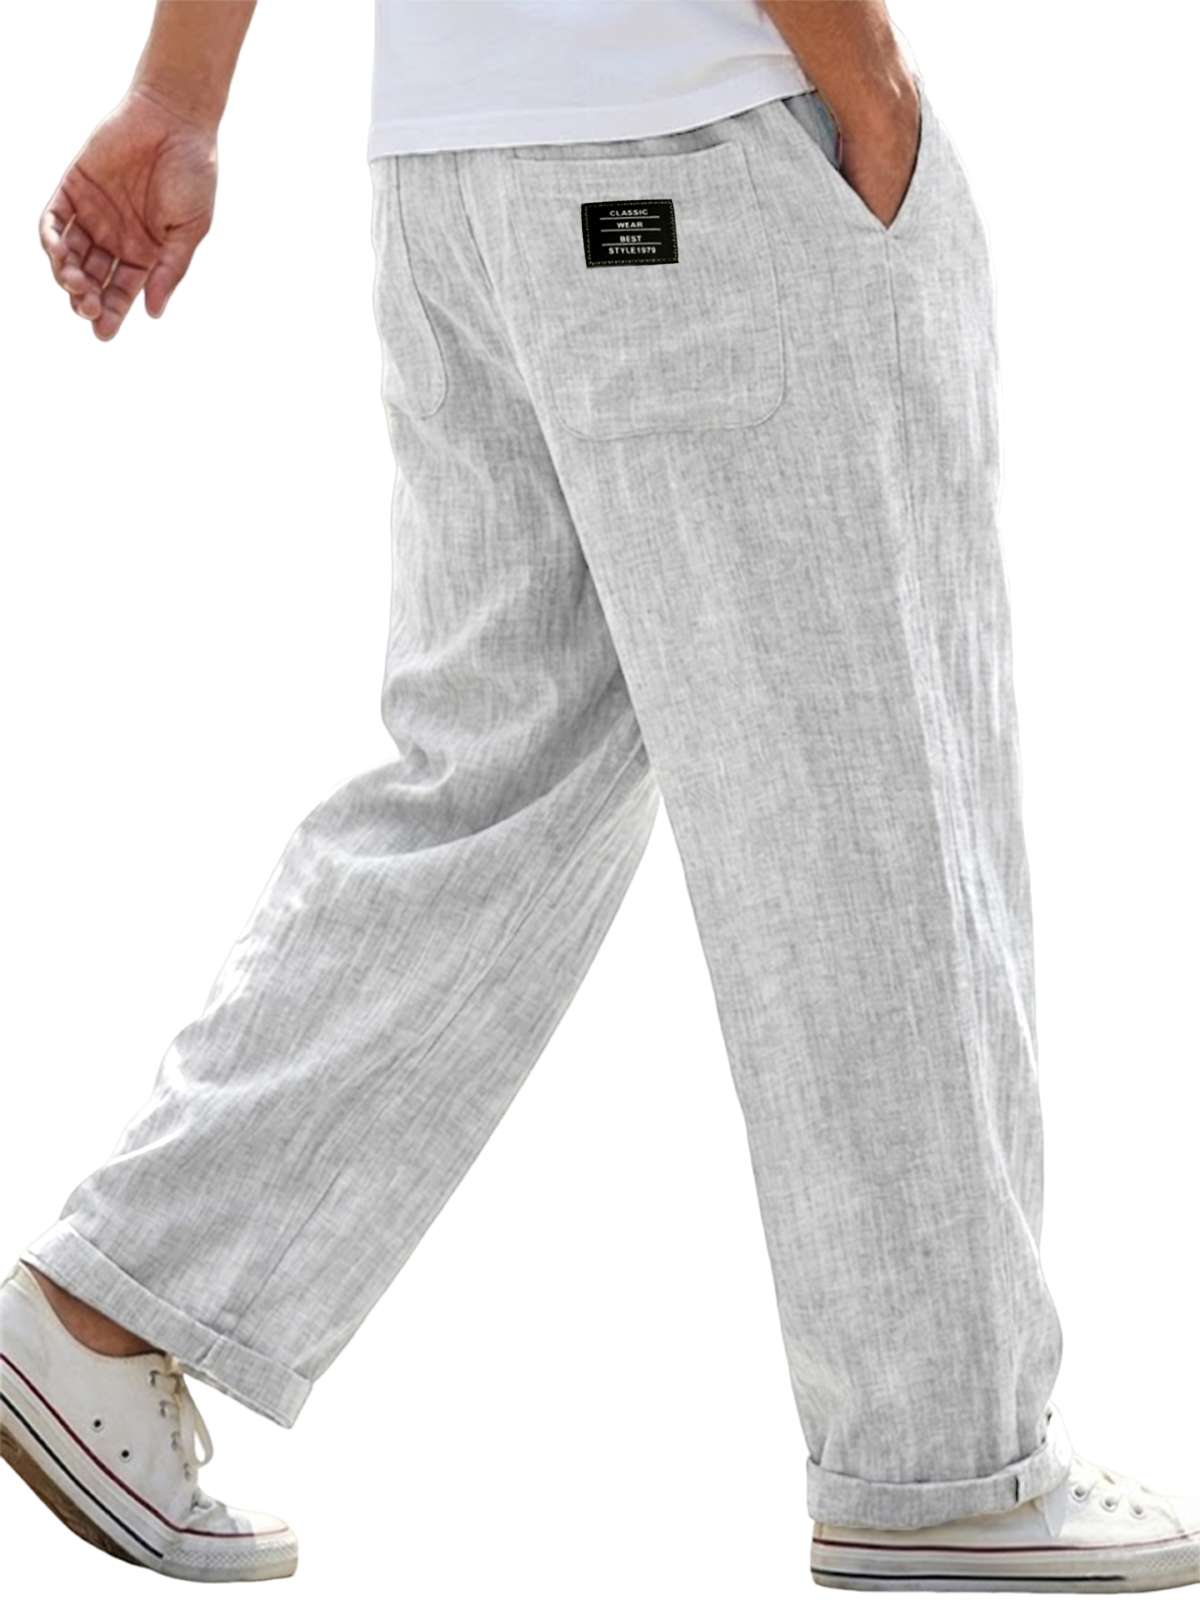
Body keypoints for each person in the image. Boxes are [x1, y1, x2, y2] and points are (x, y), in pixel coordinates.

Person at [1, 0, 1195, 1588]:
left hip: (454, 179)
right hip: (708, 139)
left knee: (482, 798)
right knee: (865, 810)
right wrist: (871, 91)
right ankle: (945, 1464)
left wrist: (178, 91)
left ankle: (108, 1306)